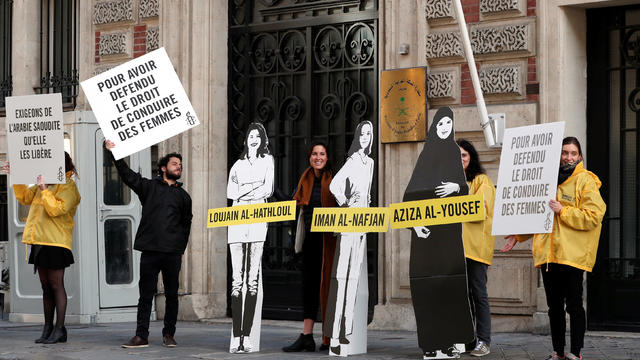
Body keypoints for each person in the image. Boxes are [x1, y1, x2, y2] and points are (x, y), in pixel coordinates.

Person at [502, 136, 606, 360]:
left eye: (573, 153)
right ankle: (558, 352)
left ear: (580, 157)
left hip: (572, 255)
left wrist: (563, 211)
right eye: (564, 152)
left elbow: (593, 216)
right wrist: (518, 236)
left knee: (575, 306)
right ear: (558, 155)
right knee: (554, 308)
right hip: (548, 255)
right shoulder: (545, 179)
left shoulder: (586, 181)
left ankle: (576, 353)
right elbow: (538, 215)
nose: (568, 157)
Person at [104, 140, 193, 349]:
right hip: (150, 251)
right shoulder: (149, 187)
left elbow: (186, 224)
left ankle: (169, 334)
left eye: (180, 164)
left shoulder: (183, 196)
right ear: (163, 168)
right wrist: (113, 153)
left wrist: (180, 249)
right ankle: (141, 335)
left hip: (172, 253)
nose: (178, 167)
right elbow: (127, 175)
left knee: (172, 295)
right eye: (174, 164)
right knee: (145, 294)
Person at [403, 107, 474, 359]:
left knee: (450, 285)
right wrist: (415, 225)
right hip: (427, 235)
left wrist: (457, 185)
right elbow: (409, 197)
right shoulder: (427, 153)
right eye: (440, 122)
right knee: (428, 287)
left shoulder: (454, 152)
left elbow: (464, 191)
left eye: (448, 122)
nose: (445, 126)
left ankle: (451, 342)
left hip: (448, 233)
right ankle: (431, 344)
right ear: (434, 126)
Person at [2, 153, 81, 344]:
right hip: (40, 242)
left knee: (56, 285)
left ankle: (60, 328)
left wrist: (45, 189)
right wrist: (18, 176)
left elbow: (56, 210)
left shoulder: (68, 186)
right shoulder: (43, 184)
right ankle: (47, 327)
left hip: (56, 242)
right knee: (46, 288)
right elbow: (24, 197)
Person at [324, 121, 374, 355]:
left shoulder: (370, 163)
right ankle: (335, 334)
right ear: (357, 137)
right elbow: (334, 185)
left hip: (363, 225)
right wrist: (345, 202)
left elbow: (368, 193)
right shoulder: (352, 161)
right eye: (362, 134)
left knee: (353, 280)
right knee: (341, 278)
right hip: (348, 224)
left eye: (368, 134)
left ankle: (347, 331)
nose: (365, 137)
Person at [282, 141, 337, 352]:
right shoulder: (304, 179)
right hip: (310, 240)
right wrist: (275, 193)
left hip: (329, 240)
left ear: (327, 157)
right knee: (309, 287)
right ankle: (306, 336)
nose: (318, 157)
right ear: (310, 157)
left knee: (328, 286)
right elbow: (293, 203)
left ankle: (329, 336)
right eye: (315, 154)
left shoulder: (335, 179)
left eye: (322, 153)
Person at [227, 122, 274, 353]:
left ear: (262, 139)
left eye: (258, 136)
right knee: (237, 281)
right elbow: (230, 193)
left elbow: (268, 189)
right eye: (250, 136)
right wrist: (253, 188)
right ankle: (236, 338)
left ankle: (247, 337)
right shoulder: (237, 164)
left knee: (252, 280)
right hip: (237, 221)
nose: (253, 139)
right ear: (245, 140)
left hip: (257, 220)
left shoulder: (268, 161)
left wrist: (245, 190)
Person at [457, 139, 495, 357]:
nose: (460, 159)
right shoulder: (444, 181)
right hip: (454, 249)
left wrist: (458, 191)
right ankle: (467, 339)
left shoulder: (482, 180)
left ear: (471, 158)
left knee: (478, 294)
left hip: (476, 248)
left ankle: (484, 340)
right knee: (460, 296)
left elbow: (479, 208)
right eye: (456, 155)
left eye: (464, 155)